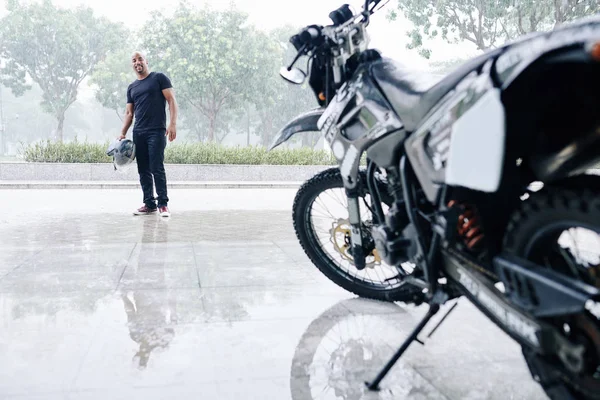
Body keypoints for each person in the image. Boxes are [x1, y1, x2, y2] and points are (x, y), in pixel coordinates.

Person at [119, 50, 178, 217]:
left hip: (156, 131)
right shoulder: (132, 87)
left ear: (146, 61)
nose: (137, 62)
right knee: (143, 169)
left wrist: (172, 124)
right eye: (134, 60)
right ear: (132, 64)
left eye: (140, 59)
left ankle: (163, 204)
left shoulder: (158, 78)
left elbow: (171, 100)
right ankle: (149, 203)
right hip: (139, 132)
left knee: (156, 167)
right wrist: (123, 132)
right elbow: (129, 113)